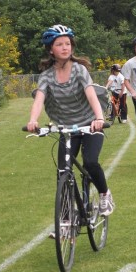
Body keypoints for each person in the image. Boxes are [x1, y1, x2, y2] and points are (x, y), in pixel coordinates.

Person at [26, 24, 114, 216]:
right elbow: (39, 98)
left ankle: (105, 194)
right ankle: (66, 222)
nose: (65, 47)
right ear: (51, 49)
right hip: (66, 129)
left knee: (90, 162)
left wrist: (99, 118)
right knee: (62, 173)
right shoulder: (46, 76)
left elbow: (91, 95)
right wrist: (33, 120)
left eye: (68, 43)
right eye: (60, 44)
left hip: (90, 124)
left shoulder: (79, 70)